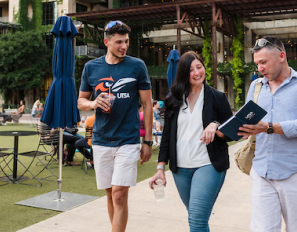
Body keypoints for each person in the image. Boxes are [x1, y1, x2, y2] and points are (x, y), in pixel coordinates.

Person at [237, 36, 297, 232]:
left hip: (294, 173)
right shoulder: (256, 86)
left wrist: (267, 127)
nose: (260, 68)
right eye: (257, 63)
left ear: (282, 56)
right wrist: (240, 128)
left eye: (264, 62)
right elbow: (248, 117)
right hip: (261, 172)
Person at [77, 20, 153, 232]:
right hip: (101, 141)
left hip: (127, 140)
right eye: (119, 41)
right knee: (110, 193)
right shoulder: (91, 67)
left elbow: (147, 104)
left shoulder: (137, 66)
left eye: (126, 41)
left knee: (120, 192)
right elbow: (81, 101)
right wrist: (93, 103)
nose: (124, 46)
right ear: (106, 42)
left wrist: (147, 140)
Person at [149, 51, 233, 232]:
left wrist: (216, 126)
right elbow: (166, 138)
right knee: (196, 218)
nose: (196, 73)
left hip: (208, 164)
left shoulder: (217, 97)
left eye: (199, 67)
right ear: (183, 74)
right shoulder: (173, 100)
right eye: (191, 69)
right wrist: (160, 168)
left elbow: (231, 132)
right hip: (180, 169)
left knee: (196, 221)